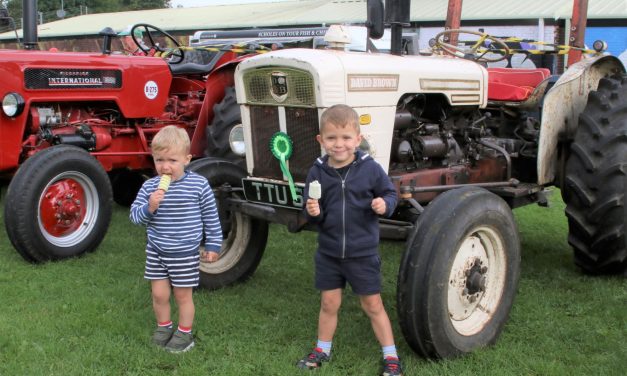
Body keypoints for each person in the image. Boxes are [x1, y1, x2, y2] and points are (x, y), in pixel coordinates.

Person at [297, 104, 403, 375]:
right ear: (321, 140)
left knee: (372, 304)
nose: (339, 144)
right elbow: (310, 211)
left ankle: (391, 356)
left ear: (358, 139)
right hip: (329, 253)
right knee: (329, 303)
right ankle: (322, 348)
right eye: (331, 138)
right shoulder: (317, 172)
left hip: (362, 253)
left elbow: (391, 194)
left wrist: (384, 204)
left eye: (346, 138)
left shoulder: (370, 169)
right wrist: (313, 212)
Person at [129, 125, 222, 353]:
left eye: (172, 160)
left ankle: (184, 332)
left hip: (184, 251)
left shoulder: (198, 186)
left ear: (187, 159)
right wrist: (150, 207)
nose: (165, 167)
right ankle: (164, 326)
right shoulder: (149, 187)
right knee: (159, 294)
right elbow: (134, 217)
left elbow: (211, 217)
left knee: (182, 295)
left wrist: (213, 244)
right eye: (159, 160)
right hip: (156, 250)